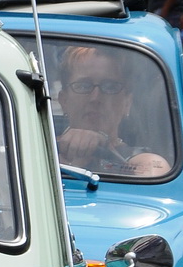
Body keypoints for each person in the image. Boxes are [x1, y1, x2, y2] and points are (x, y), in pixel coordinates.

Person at [52, 46, 172, 177]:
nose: (95, 98)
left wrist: (106, 148)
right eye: (83, 86)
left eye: (110, 87)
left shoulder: (142, 162)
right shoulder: (40, 152)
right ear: (63, 100)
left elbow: (154, 176)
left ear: (127, 102)